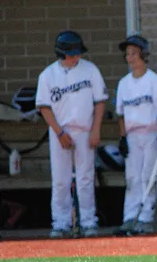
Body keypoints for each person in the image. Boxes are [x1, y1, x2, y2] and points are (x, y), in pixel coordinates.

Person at [35, 30, 107, 238]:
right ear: (61, 53)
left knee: (86, 177)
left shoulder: (90, 70)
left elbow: (100, 101)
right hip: (60, 131)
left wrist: (96, 129)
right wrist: (58, 133)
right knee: (60, 179)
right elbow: (44, 107)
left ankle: (88, 221)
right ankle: (61, 222)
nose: (77, 57)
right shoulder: (48, 75)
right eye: (72, 53)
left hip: (85, 129)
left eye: (78, 53)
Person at [115, 35, 157, 235]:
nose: (130, 58)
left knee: (148, 176)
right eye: (128, 54)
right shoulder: (124, 83)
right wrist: (122, 137)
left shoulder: (153, 80)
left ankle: (145, 217)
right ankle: (130, 216)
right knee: (132, 177)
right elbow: (121, 114)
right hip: (132, 135)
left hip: (150, 134)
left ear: (143, 55)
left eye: (134, 53)